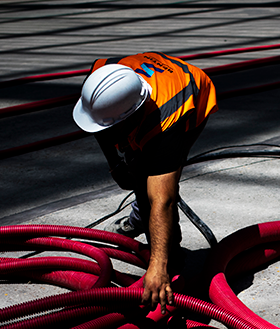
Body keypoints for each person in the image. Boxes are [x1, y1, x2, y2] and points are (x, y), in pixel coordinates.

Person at [73, 52, 217, 311]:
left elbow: (163, 199)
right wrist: (115, 164)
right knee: (137, 167)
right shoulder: (100, 80)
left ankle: (171, 257)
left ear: (133, 115)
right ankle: (142, 217)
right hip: (152, 83)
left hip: (191, 92)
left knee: (154, 180)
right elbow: (99, 125)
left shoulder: (169, 123)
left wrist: (158, 266)